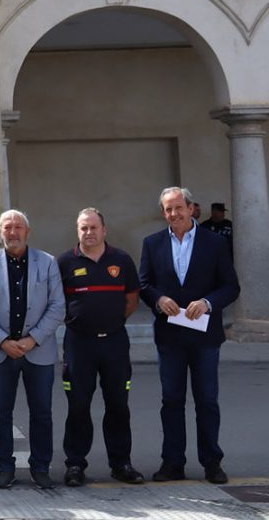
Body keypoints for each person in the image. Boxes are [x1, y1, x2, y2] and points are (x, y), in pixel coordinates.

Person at [139, 187, 240, 484]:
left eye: (178, 207)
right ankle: (172, 463)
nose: (174, 214)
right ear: (163, 213)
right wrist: (158, 300)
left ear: (191, 207)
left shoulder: (214, 243)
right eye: (168, 209)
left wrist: (207, 303)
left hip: (204, 337)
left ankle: (212, 463)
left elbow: (231, 286)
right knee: (171, 401)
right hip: (169, 338)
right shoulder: (153, 243)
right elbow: (144, 284)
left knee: (207, 401)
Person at [0, 210, 65, 490]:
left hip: (37, 350)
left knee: (42, 412)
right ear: (0, 232)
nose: (12, 233)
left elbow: (57, 306)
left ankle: (40, 467)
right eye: (7, 228)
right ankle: (4, 467)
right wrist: (3, 340)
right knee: (1, 412)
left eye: (17, 227)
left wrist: (32, 340)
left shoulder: (48, 262)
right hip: (1, 351)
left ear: (28, 231)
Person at [57, 209, 145, 487]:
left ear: (104, 230)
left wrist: (113, 321)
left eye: (94, 227)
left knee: (118, 404)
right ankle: (75, 464)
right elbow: (57, 302)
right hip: (79, 344)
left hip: (114, 343)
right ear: (77, 231)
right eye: (83, 228)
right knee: (78, 405)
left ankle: (121, 463)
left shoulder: (121, 260)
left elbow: (132, 299)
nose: (89, 233)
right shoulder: (65, 262)